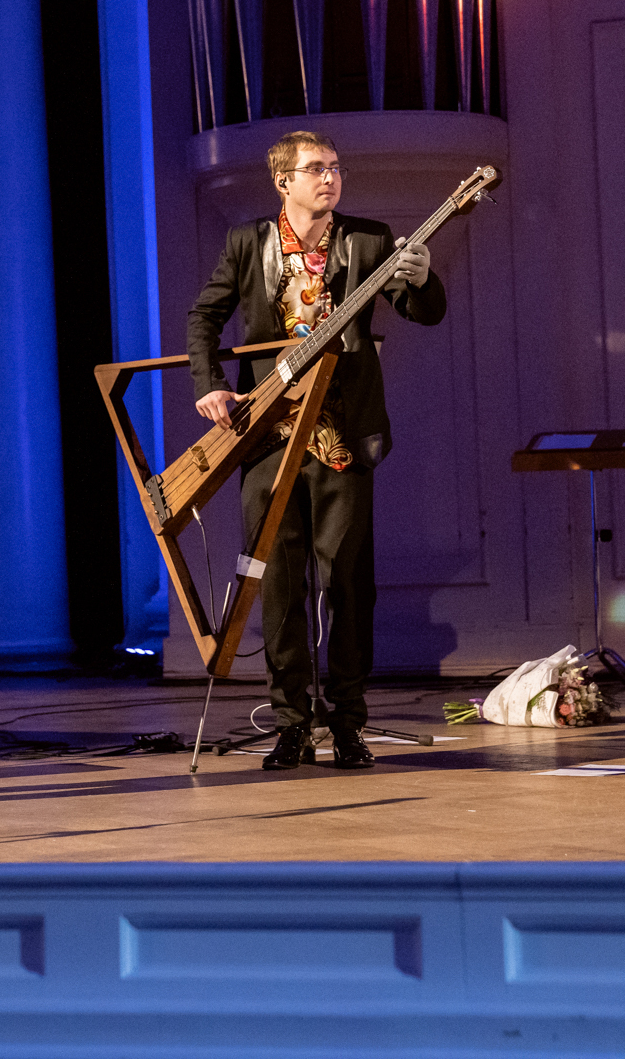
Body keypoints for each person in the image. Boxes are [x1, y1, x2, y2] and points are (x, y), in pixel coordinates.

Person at [187, 131, 443, 771]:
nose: (330, 177)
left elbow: (422, 311)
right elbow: (204, 317)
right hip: (268, 437)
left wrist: (423, 279)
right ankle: (291, 724)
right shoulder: (247, 242)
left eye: (335, 167)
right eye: (315, 169)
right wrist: (210, 386)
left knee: (348, 585)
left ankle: (350, 724)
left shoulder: (367, 239)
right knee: (276, 584)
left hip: (342, 438)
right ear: (284, 181)